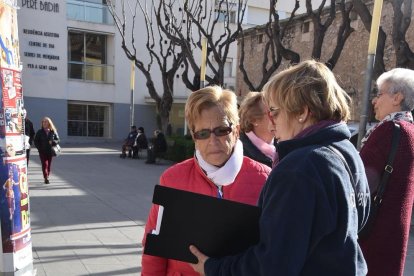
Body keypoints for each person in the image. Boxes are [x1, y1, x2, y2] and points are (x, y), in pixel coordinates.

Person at [190, 60, 370, 275]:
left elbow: (272, 266)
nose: (271, 123)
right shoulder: (347, 152)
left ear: (302, 112)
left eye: (274, 112)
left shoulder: (299, 168)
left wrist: (213, 268)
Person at [141, 86, 271, 274]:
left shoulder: (266, 179)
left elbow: (272, 251)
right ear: (194, 137)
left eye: (221, 130)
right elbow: (153, 247)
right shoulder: (172, 179)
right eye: (202, 133)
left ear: (236, 130)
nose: (213, 140)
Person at [358, 68, 414, 276]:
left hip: (374, 232)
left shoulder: (389, 130)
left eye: (380, 94)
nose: (374, 100)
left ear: (397, 97)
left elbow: (360, 179)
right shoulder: (409, 130)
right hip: (394, 231)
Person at [238, 91, 276, 168]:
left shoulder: (284, 146)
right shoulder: (239, 152)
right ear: (254, 120)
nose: (278, 117)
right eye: (272, 112)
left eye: (278, 111)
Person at [34, 117, 60, 184]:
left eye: (46, 122)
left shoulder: (53, 131)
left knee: (49, 165)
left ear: (49, 123)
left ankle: (47, 175)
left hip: (50, 151)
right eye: (43, 122)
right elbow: (35, 141)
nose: (44, 123)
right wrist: (39, 148)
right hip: (42, 151)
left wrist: (53, 142)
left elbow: (58, 140)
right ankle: (46, 177)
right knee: (44, 164)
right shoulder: (40, 132)